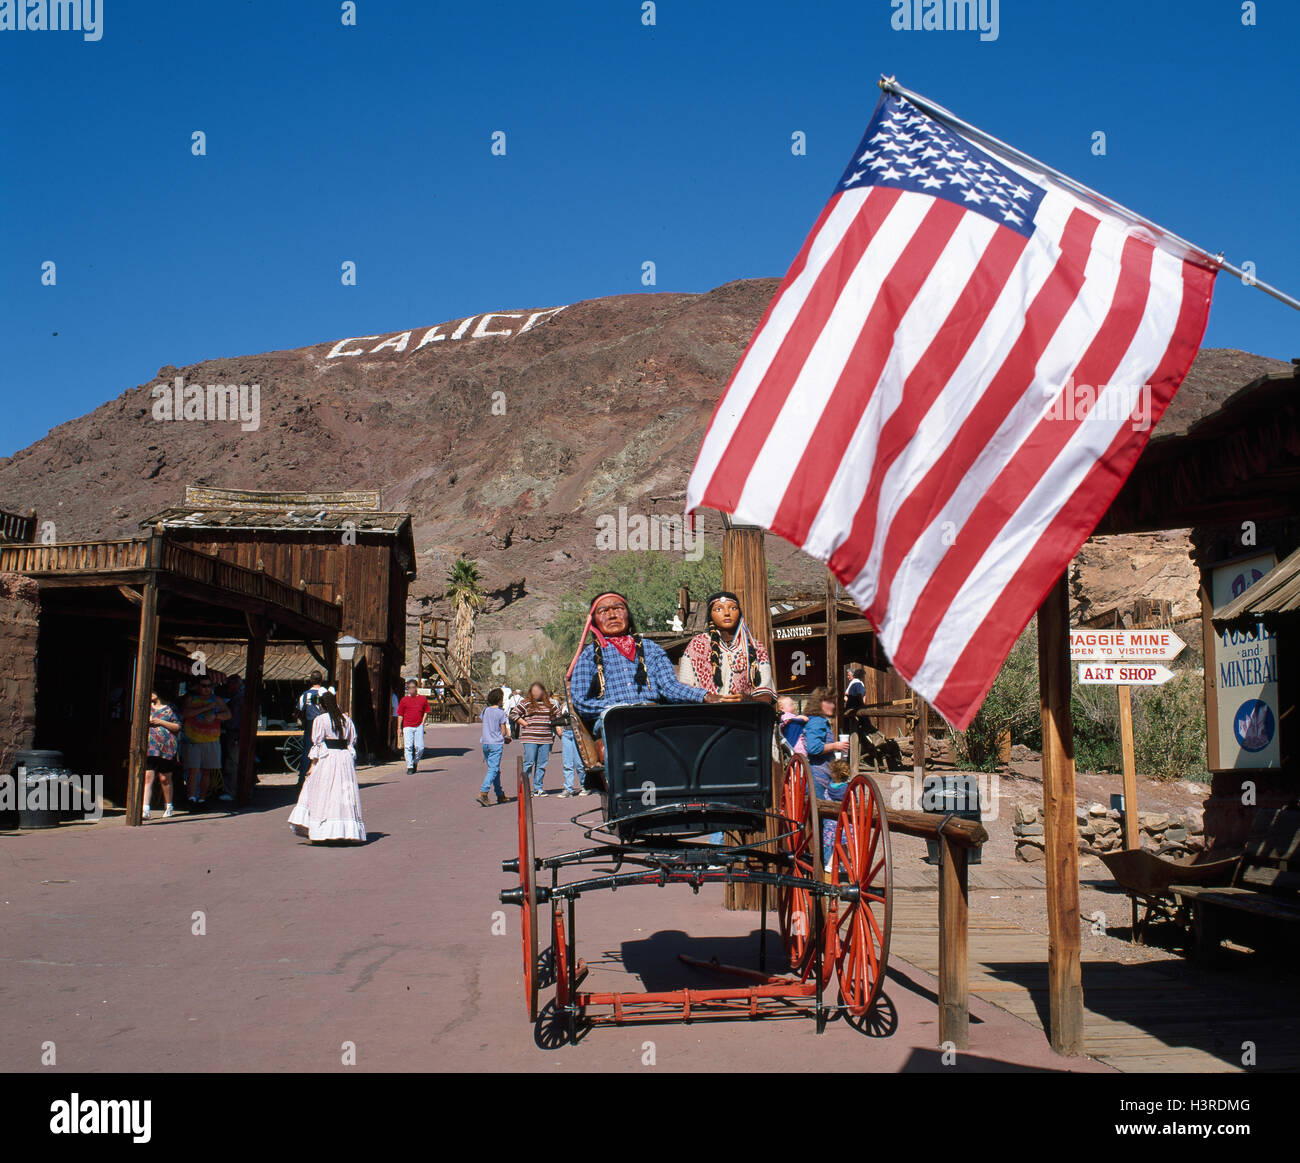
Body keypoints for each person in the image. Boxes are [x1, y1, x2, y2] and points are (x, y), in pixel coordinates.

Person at [569, 593, 719, 745]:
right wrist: (618, 708)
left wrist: (704, 696)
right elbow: (581, 701)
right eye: (604, 611)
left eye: (618, 608)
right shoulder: (589, 656)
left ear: (628, 615)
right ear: (594, 620)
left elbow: (669, 686)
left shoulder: (651, 649)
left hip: (651, 715)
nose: (612, 615)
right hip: (613, 721)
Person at [288, 691, 366, 843]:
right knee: (343, 793)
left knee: (323, 791)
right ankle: (344, 831)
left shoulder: (320, 720)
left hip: (328, 758)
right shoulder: (346, 720)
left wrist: (311, 766)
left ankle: (323, 830)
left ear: (321, 705)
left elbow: (317, 744)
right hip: (344, 759)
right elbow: (351, 741)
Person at [677, 591, 776, 702]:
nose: (727, 613)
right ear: (710, 616)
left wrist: (747, 699)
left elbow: (766, 697)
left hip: (743, 716)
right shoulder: (697, 645)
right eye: (718, 609)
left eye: (733, 608)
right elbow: (683, 690)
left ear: (739, 613)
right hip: (704, 716)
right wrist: (706, 697)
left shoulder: (756, 648)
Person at [180, 676, 230, 809]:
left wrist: (216, 715)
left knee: (207, 771)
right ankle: (191, 798)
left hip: (211, 739)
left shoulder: (217, 700)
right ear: (198, 686)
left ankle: (202, 799)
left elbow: (228, 714)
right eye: (203, 686)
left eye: (209, 686)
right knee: (193, 770)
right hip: (193, 740)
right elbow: (185, 713)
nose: (207, 689)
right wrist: (205, 708)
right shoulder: (190, 699)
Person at [510, 682, 561, 797]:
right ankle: (525, 788)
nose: (536, 693)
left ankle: (538, 787)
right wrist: (524, 723)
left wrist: (555, 725)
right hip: (530, 738)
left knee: (542, 764)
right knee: (529, 762)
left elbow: (558, 716)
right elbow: (513, 714)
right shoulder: (525, 703)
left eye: (538, 691)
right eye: (534, 691)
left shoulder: (550, 704)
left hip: (545, 738)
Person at [143, 689, 181, 820]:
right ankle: (145, 808)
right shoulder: (147, 707)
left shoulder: (171, 708)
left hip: (166, 748)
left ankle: (168, 805)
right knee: (148, 776)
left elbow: (177, 726)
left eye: (152, 690)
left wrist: (160, 722)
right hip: (150, 747)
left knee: (165, 778)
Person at [476, 687, 511, 807]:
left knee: (494, 769)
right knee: (493, 769)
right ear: (500, 699)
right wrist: (505, 736)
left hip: (485, 742)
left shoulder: (485, 711)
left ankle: (499, 793)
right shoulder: (501, 713)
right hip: (496, 743)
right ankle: (483, 792)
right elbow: (503, 731)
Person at [295, 673, 328, 788]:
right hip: (323, 724)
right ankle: (322, 778)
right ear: (321, 680)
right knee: (323, 749)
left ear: (310, 681)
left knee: (307, 751)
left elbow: (299, 709)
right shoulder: (325, 693)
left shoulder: (305, 694)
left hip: (311, 724)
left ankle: (302, 778)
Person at [396, 678, 430, 773]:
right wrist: (399, 727)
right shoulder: (404, 700)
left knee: (420, 747)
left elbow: (426, 711)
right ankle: (409, 766)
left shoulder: (422, 699)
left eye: (412, 688)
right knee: (408, 746)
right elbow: (400, 714)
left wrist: (423, 722)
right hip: (407, 726)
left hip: (418, 725)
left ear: (416, 688)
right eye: (409, 688)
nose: (410, 690)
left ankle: (415, 761)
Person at [555, 696, 587, 797]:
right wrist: (558, 727)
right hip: (566, 733)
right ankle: (568, 788)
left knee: (579, 763)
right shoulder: (564, 705)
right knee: (567, 762)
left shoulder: (579, 702)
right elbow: (558, 717)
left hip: (577, 733)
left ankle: (585, 786)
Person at [218, 674, 243, 803]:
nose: (228, 688)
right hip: (236, 732)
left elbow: (234, 719)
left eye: (229, 684)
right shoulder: (239, 697)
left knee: (232, 763)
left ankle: (231, 791)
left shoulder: (239, 699)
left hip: (235, 733)